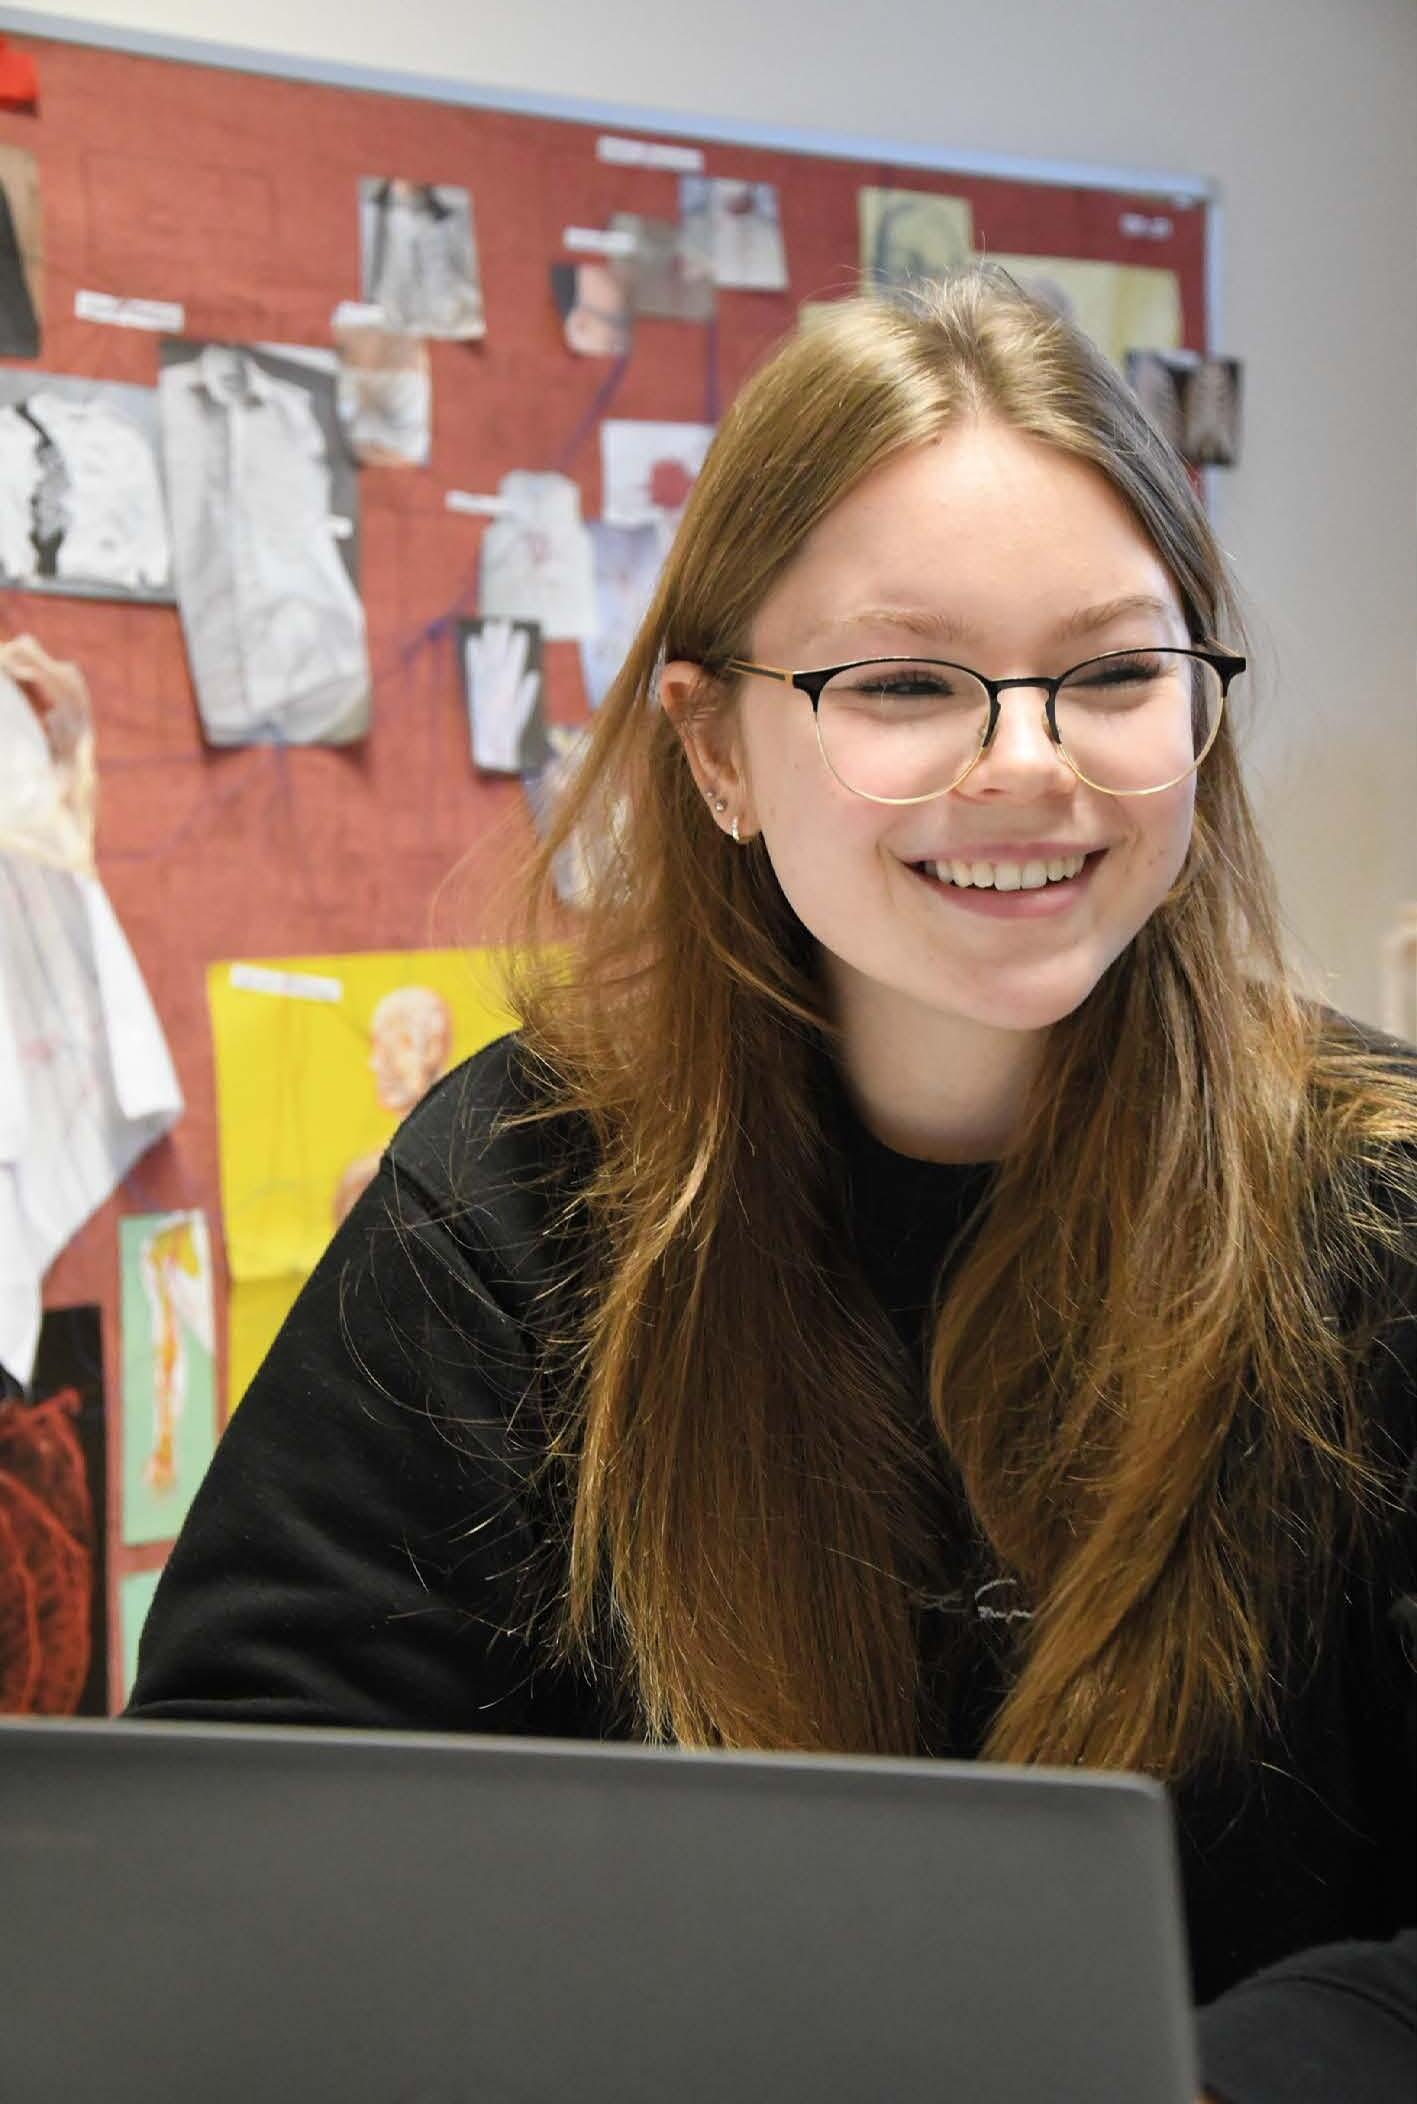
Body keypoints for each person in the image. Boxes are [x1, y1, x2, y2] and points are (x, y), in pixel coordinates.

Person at [129, 271, 1416, 2104]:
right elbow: (250, 1838)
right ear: (716, 745)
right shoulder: (516, 1196)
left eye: (1115, 674)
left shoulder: (1379, 1210)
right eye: (902, 684)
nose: (1029, 764)